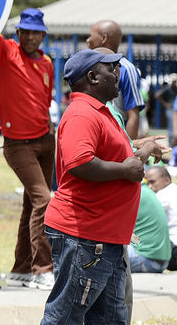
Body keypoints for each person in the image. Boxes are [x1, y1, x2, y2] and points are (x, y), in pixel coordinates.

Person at [41, 49, 156, 324]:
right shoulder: (82, 113)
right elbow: (79, 164)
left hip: (107, 237)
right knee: (65, 317)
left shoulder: (102, 112)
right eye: (111, 69)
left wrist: (141, 154)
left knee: (110, 319)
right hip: (86, 236)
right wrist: (125, 169)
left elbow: (117, 156)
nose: (118, 74)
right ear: (92, 77)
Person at [0, 7, 55, 289]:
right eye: (24, 31)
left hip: (45, 139)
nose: (29, 37)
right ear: (18, 33)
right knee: (45, 200)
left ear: (42, 35)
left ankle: (21, 270)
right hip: (18, 144)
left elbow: (45, 99)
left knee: (32, 204)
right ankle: (43, 270)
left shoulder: (48, 62)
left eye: (35, 32)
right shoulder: (6, 51)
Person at [86, 20, 145, 140]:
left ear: (104, 38)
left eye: (90, 35)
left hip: (115, 138)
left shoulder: (126, 69)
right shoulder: (89, 67)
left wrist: (128, 150)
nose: (87, 40)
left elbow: (133, 115)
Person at [128, 183, 171, 273]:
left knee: (99, 254)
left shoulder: (131, 192)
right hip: (162, 262)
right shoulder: (145, 190)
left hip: (147, 260)